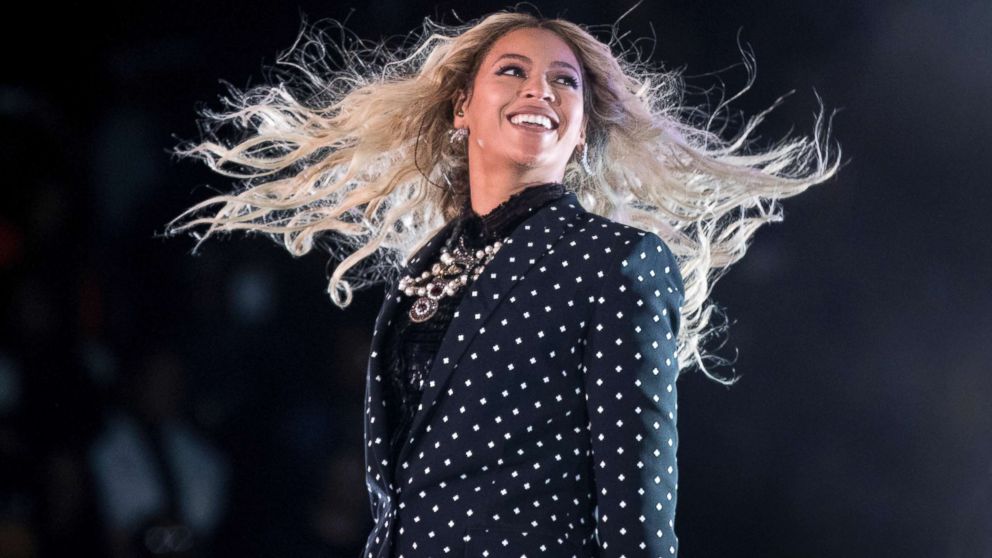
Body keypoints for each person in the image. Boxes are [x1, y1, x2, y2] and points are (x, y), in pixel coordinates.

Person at [165, 9, 838, 557]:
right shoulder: (423, 270)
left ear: (581, 134)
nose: (538, 90)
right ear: (462, 109)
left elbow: (639, 506)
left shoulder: (617, 261)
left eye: (564, 82)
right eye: (512, 71)